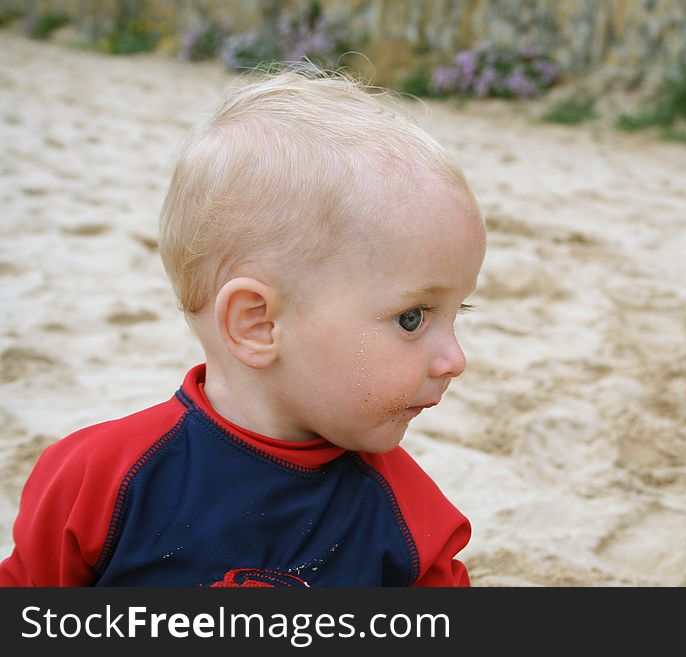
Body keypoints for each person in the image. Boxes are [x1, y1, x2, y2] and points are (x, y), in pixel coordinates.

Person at [0, 67, 486, 587]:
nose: (455, 360)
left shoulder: (413, 525)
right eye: (412, 318)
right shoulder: (101, 483)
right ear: (257, 324)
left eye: (457, 315)